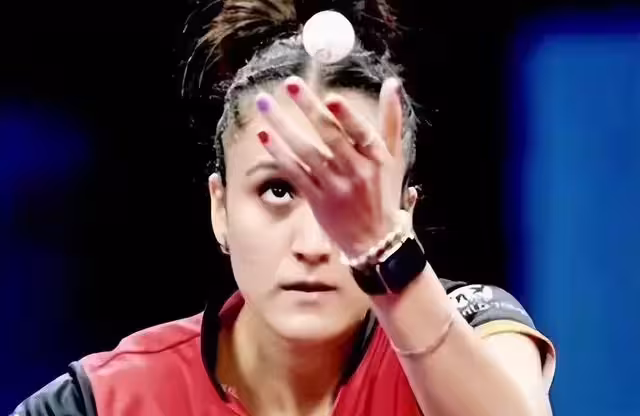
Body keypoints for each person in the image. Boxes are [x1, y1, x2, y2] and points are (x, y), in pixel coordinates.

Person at [11, 0, 556, 415]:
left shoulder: (478, 331)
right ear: (220, 209)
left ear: (404, 214)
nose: (313, 244)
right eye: (278, 190)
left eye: (350, 194)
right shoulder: (107, 400)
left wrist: (385, 258)